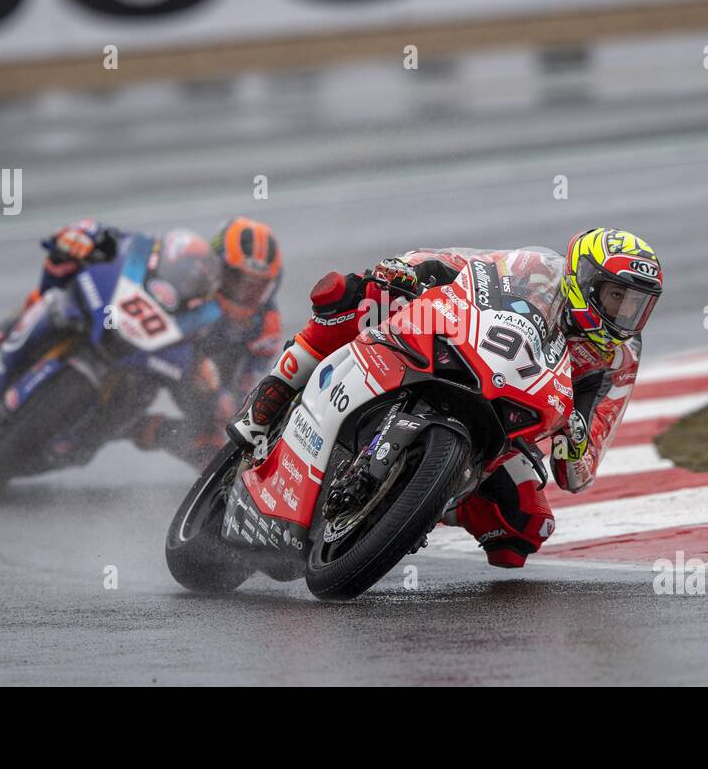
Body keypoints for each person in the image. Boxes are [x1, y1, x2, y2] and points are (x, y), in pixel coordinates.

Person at [226, 227, 662, 568]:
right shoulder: (538, 271)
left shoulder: (620, 358)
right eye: (616, 296)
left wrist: (578, 438)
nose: (625, 314)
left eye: (637, 306)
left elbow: (579, 473)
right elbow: (462, 265)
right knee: (360, 294)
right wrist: (406, 270)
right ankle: (278, 386)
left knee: (525, 531)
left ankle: (420, 501)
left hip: (508, 419)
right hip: (462, 351)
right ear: (585, 279)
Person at [0, 216, 283, 465]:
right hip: (152, 340)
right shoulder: (194, 268)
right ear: (215, 267)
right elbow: (144, 251)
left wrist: (225, 399)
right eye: (235, 279)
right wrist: (94, 238)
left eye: (256, 287)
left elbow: (252, 387)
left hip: (198, 383)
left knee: (217, 444)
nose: (243, 293)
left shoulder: (265, 328)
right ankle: (9, 333)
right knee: (63, 279)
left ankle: (117, 433)